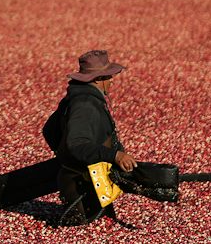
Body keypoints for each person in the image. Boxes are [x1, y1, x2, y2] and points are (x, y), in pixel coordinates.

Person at [43, 50, 142, 226]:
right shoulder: (85, 104)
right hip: (83, 187)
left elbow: (49, 131)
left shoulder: (76, 97)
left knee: (101, 226)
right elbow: (77, 143)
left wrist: (64, 157)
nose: (111, 81)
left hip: (89, 181)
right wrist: (115, 156)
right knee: (88, 228)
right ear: (98, 79)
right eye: (108, 77)